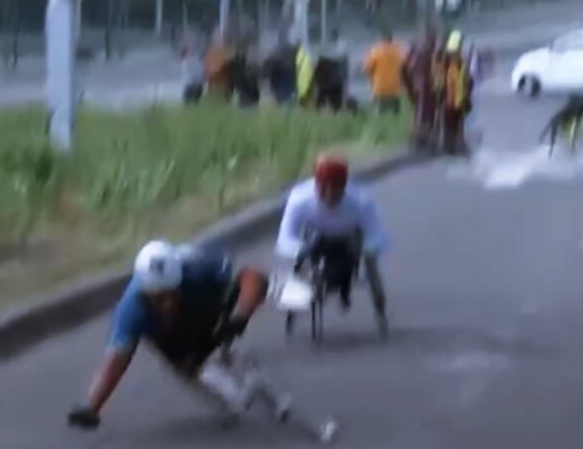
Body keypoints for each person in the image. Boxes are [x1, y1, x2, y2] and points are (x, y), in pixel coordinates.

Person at [67, 241, 286, 429]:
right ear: (145, 294)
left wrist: (241, 316)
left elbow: (253, 277)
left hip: (204, 306)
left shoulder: (200, 265)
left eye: (171, 293)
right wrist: (92, 407)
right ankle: (213, 385)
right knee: (193, 370)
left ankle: (235, 358)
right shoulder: (130, 311)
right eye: (159, 298)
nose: (167, 303)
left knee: (224, 320)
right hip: (169, 336)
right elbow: (115, 362)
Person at [275, 155, 389, 335]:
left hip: (349, 235)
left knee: (371, 265)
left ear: (345, 186)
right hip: (316, 235)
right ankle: (292, 307)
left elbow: (378, 235)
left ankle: (380, 312)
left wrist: (367, 249)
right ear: (317, 186)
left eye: (337, 191)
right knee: (298, 263)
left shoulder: (361, 200)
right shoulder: (300, 199)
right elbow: (285, 238)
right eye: (325, 190)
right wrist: (300, 250)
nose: (330, 196)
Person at [403, 27, 438, 148]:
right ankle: (421, 136)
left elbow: (406, 68)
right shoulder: (428, 52)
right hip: (425, 85)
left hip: (417, 85)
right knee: (424, 112)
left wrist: (409, 85)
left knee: (421, 111)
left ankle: (422, 136)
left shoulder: (415, 50)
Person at [440, 31, 473, 156]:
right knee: (451, 126)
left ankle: (455, 146)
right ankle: (452, 147)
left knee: (455, 126)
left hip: (457, 101)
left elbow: (466, 82)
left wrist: (467, 96)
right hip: (451, 102)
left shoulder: (460, 63)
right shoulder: (448, 65)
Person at [363, 29, 406, 113]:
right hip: (395, 89)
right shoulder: (398, 51)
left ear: (381, 39)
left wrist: (371, 79)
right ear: (391, 39)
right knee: (395, 114)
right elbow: (404, 68)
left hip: (380, 89)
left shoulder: (375, 51)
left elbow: (366, 69)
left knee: (380, 114)